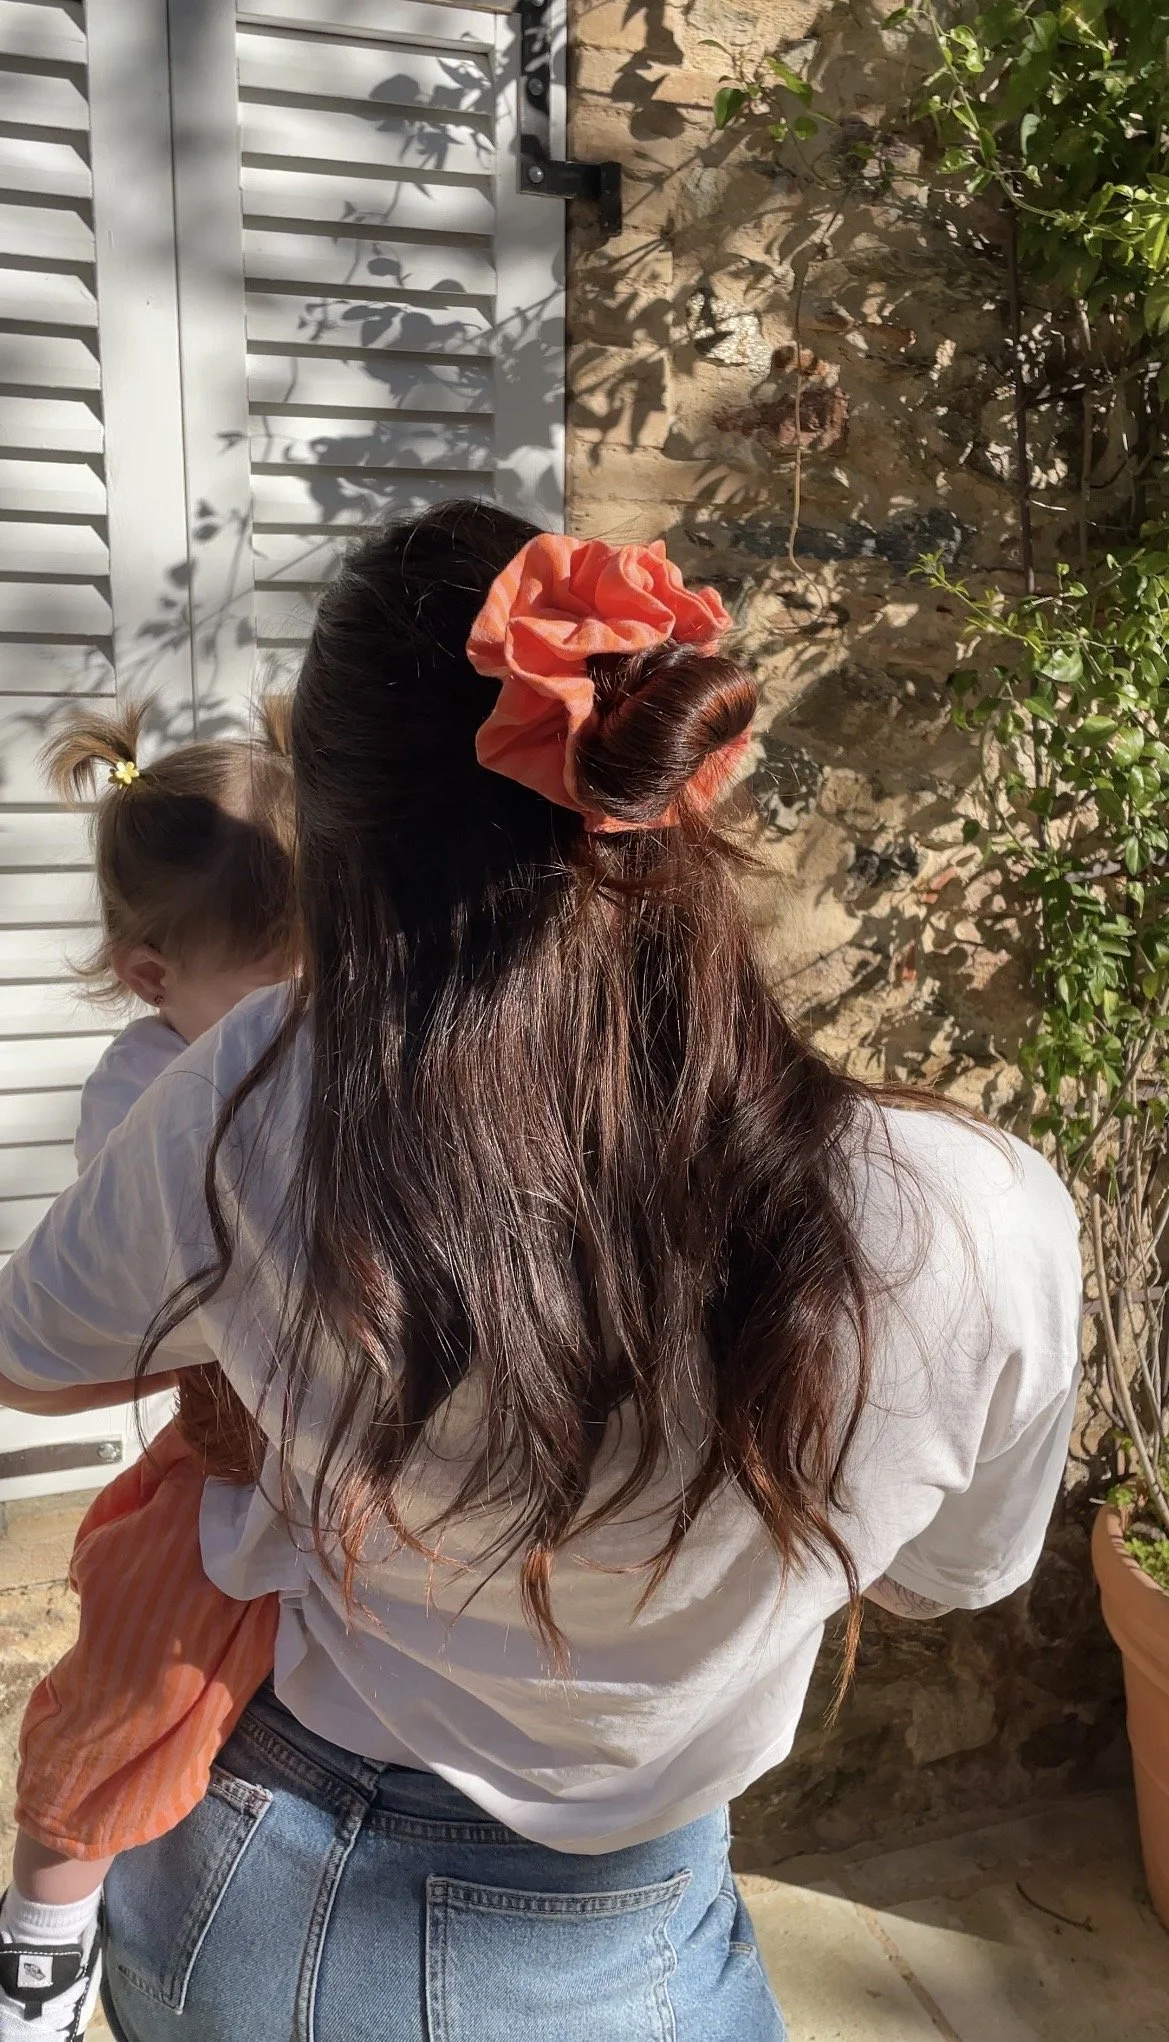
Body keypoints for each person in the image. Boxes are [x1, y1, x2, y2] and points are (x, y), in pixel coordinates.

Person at [0, 504, 1082, 2042]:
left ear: (337, 860)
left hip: (264, 1880)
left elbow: (33, 1352)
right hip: (612, 1919)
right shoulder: (985, 1221)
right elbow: (935, 1575)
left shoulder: (249, 1098)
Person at [0, 700, 295, 2039]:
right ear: (150, 979)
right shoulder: (144, 1094)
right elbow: (183, 1280)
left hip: (326, 1465)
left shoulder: (289, 1043)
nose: (311, 1022)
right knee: (123, 1695)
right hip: (224, 1459)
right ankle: (44, 1932)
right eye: (277, 993)